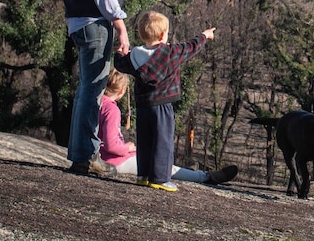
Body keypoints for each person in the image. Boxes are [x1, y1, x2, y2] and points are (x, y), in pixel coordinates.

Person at [59, 0, 131, 176]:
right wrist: (120, 25)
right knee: (94, 90)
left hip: (78, 21)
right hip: (93, 24)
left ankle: (80, 155)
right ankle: (87, 157)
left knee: (86, 89)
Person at [114, 10, 214, 192]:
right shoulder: (170, 53)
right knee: (163, 141)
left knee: (144, 141)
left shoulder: (135, 55)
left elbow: (120, 64)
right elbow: (190, 47)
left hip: (143, 107)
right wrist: (205, 36)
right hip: (162, 105)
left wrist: (120, 53)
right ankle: (160, 178)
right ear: (162, 35)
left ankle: (143, 175)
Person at [98, 68, 238, 186]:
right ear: (122, 90)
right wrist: (128, 148)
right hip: (113, 160)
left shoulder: (95, 104)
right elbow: (111, 146)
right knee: (162, 167)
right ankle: (205, 177)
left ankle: (199, 175)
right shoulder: (111, 110)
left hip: (100, 157)